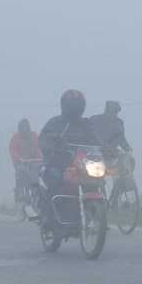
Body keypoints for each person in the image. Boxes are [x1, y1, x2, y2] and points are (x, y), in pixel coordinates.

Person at [38, 90, 101, 220]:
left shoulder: (86, 124)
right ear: (64, 106)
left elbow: (97, 139)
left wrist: (106, 148)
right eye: (71, 106)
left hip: (81, 165)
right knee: (55, 179)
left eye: (77, 105)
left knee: (97, 178)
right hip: (56, 164)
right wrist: (49, 144)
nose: (74, 109)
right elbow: (42, 139)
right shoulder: (54, 123)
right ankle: (48, 216)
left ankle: (98, 214)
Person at [10, 118, 41, 197]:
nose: (25, 129)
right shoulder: (16, 137)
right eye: (23, 127)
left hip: (33, 162)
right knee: (20, 173)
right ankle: (20, 191)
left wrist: (41, 157)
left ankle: (37, 192)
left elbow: (39, 148)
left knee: (38, 174)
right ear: (20, 128)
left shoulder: (34, 136)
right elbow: (13, 150)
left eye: (26, 126)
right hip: (21, 162)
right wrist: (18, 158)